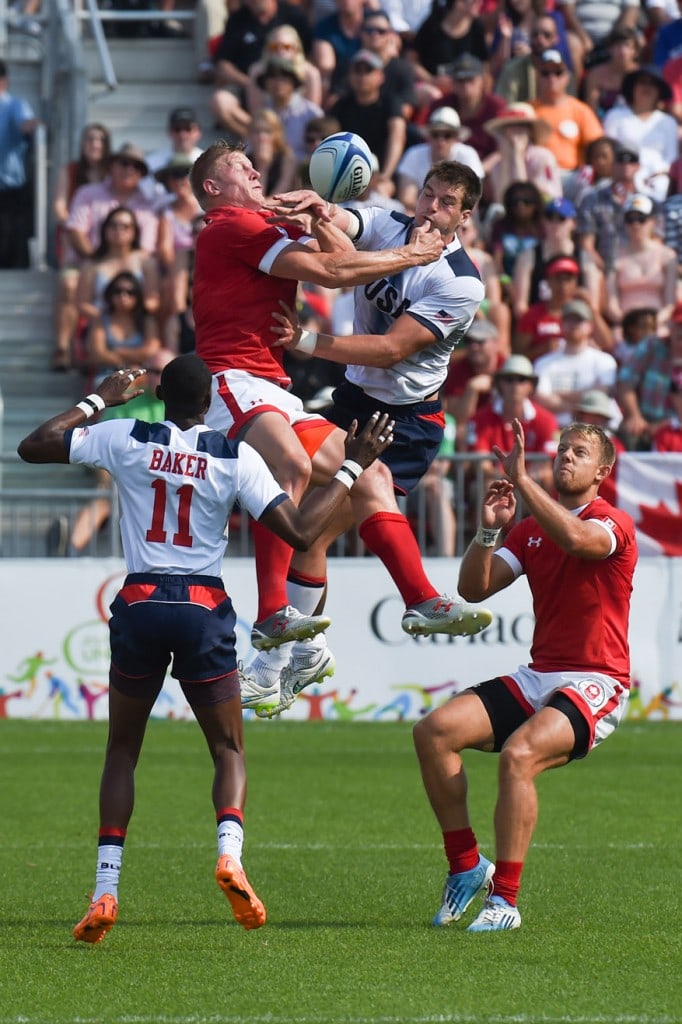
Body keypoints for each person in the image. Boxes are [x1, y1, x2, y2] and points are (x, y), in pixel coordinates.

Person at [17, 353, 394, 943]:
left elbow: (34, 445)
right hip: (202, 608)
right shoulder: (235, 454)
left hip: (140, 603)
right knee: (227, 749)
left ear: (161, 395)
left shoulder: (126, 436)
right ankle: (230, 859)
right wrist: (353, 467)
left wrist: (100, 398)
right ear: (209, 403)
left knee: (122, 751)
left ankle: (105, 891)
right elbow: (298, 531)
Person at [189, 143, 493, 713]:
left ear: (464, 216)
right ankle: (280, 627)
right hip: (256, 381)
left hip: (402, 415)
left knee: (357, 487)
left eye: (445, 203)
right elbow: (340, 248)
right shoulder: (235, 225)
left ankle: (408, 605)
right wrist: (326, 210)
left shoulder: (460, 281)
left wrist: (307, 336)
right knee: (301, 486)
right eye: (427, 193)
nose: (430, 207)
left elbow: (388, 347)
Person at [413, 417, 637, 931]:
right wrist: (490, 529)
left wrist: (525, 481)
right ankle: (467, 867)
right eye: (562, 448)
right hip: (540, 676)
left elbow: (580, 541)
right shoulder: (533, 528)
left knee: (519, 756)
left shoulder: (612, 523)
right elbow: (475, 588)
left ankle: (505, 903)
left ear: (603, 470)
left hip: (595, 681)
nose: (565, 456)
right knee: (433, 733)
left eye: (578, 452)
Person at [52, 122, 112, 371]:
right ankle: (63, 348)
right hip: (77, 246)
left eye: (99, 140)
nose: (94, 145)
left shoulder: (113, 174)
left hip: (108, 251)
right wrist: (76, 228)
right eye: (90, 139)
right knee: (70, 285)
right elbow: (59, 207)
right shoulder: (71, 171)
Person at [329, 49, 407, 185]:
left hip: (380, 174)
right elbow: (331, 140)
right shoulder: (341, 105)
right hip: (347, 174)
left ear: (381, 76)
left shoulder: (390, 103)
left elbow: (397, 136)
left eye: (368, 71)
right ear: (349, 76)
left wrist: (385, 176)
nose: (362, 76)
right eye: (357, 71)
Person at [396, 107, 484, 214]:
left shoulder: (468, 155)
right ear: (429, 136)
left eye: (447, 135)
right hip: (421, 213)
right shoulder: (413, 154)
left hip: (455, 218)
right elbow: (406, 199)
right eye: (435, 134)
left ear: (456, 137)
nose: (440, 140)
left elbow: (472, 205)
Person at [0, 58, 40, 269]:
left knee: (9, 239)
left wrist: (33, 125)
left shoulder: (15, 105)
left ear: (3, 81)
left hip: (7, 189)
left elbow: (24, 124)